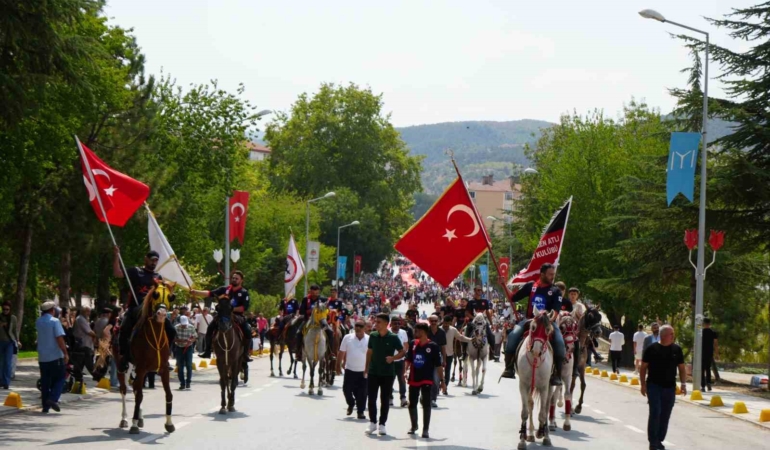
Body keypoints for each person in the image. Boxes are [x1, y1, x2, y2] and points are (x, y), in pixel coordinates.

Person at [501, 263, 571, 385]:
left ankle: (557, 375)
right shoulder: (530, 286)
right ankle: (509, 367)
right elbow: (512, 297)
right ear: (542, 274)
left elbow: (555, 311)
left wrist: (549, 321)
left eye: (553, 275)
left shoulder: (556, 291)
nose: (552, 277)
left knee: (560, 342)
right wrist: (503, 285)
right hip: (530, 320)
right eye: (550, 274)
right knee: (513, 335)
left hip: (548, 322)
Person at [113, 247, 176, 371]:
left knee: (171, 330)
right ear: (146, 259)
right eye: (152, 260)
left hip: (153, 310)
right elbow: (117, 273)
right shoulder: (135, 271)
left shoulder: (159, 277)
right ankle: (124, 357)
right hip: (136, 307)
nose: (154, 263)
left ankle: (165, 356)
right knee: (125, 328)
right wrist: (116, 256)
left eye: (156, 261)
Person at [640, 324, 686, 450]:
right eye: (671, 334)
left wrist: (683, 384)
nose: (673, 336)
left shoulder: (677, 349)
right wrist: (643, 384)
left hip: (670, 388)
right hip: (654, 386)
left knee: (665, 414)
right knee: (655, 412)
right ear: (664, 335)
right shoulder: (651, 349)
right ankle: (653, 442)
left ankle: (659, 440)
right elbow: (643, 368)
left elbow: (681, 368)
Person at [193, 271, 252, 361]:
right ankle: (207, 351)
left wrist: (231, 309)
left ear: (241, 281)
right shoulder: (224, 289)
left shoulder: (244, 292)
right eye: (233, 278)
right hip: (222, 315)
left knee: (248, 331)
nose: (234, 279)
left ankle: (245, 354)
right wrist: (195, 292)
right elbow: (210, 293)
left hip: (237, 316)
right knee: (210, 328)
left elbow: (244, 307)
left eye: (236, 278)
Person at [364, 313, 405, 436]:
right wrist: (366, 368)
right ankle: (372, 423)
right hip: (373, 372)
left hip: (387, 373)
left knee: (385, 399)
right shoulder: (373, 335)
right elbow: (369, 352)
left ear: (386, 324)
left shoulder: (393, 337)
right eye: (376, 321)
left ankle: (382, 424)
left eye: (379, 322)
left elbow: (402, 351)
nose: (376, 324)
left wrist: (393, 358)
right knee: (371, 398)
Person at [406, 322, 445, 439]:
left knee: (426, 403)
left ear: (423, 332)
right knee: (412, 403)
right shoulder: (413, 344)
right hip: (413, 378)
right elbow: (408, 360)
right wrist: (405, 371)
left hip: (427, 379)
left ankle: (425, 429)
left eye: (417, 331)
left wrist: (442, 381)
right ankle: (414, 426)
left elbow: (439, 366)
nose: (415, 333)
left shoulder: (433, 346)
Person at [37, 301, 69, 413]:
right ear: (52, 310)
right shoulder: (55, 321)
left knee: (45, 381)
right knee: (60, 377)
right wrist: (65, 352)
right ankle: (53, 398)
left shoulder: (38, 321)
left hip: (42, 356)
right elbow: (59, 338)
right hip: (55, 356)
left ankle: (45, 406)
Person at [338, 320, 369, 419]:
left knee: (362, 392)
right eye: (356, 326)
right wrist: (337, 366)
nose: (358, 328)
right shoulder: (347, 337)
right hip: (350, 369)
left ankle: (360, 412)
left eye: (360, 326)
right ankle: (351, 403)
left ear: (365, 328)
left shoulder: (370, 339)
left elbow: (372, 355)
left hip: (363, 371)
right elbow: (342, 352)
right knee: (346, 390)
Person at [440, 315, 471, 394]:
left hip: (449, 354)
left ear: (450, 323)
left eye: (447, 324)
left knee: (447, 372)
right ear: (443, 322)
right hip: (438, 355)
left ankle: (445, 387)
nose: (446, 325)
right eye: (445, 323)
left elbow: (460, 337)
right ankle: (436, 387)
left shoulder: (453, 330)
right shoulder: (438, 329)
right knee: (437, 372)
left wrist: (470, 340)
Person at [426, 315, 446, 408]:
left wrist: (444, 360)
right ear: (429, 321)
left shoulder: (441, 332)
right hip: (425, 358)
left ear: (438, 321)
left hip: (437, 358)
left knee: (435, 379)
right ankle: (425, 397)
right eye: (432, 321)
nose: (433, 322)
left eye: (435, 321)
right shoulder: (425, 330)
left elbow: (443, 347)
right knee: (425, 379)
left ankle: (433, 399)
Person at [0, 302, 20, 389]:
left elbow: (15, 330)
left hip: (9, 342)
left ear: (10, 309)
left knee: (8, 363)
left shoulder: (13, 318)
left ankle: (6, 382)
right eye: (4, 309)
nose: (5, 311)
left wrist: (18, 340)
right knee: (1, 362)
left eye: (7, 309)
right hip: (0, 342)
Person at [174, 315, 197, 390]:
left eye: (185, 324)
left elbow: (195, 336)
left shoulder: (191, 327)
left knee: (189, 365)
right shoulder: (176, 328)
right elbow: (173, 339)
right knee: (180, 366)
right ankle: (182, 383)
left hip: (188, 348)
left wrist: (191, 340)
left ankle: (188, 382)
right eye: (183, 325)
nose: (184, 326)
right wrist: (182, 341)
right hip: (179, 348)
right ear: (180, 323)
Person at [390, 318, 409, 407]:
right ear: (391, 324)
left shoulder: (403, 332)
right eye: (395, 323)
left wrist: (404, 353)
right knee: (390, 380)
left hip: (401, 360)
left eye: (398, 323)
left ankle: (403, 398)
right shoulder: (388, 333)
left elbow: (406, 344)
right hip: (390, 361)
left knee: (402, 380)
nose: (397, 325)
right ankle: (390, 398)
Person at [701, 318, 719, 392]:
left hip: (702, 352)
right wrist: (717, 354)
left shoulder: (701, 332)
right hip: (710, 352)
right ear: (709, 324)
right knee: (708, 368)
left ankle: (703, 386)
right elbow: (715, 344)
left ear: (703, 323)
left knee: (702, 369)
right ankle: (708, 383)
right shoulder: (713, 332)